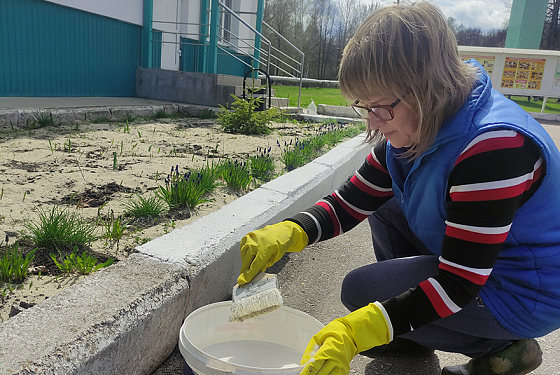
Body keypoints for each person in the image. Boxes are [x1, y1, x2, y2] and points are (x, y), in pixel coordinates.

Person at [236, 2, 560, 375]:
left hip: (525, 289)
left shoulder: (493, 149)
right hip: (482, 261)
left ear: (426, 88)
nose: (373, 121)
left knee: (361, 292)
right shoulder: (418, 128)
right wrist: (289, 231)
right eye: (364, 106)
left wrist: (362, 329)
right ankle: (409, 335)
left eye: (380, 106)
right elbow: (350, 203)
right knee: (386, 206)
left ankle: (507, 348)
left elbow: (459, 282)